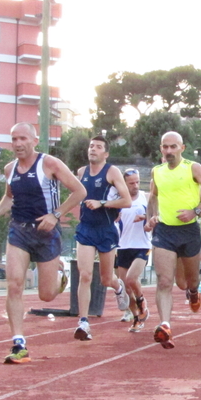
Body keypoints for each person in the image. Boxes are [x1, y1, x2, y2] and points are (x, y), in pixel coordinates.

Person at [0, 122, 86, 364]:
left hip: (46, 233)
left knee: (47, 296)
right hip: (18, 230)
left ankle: (60, 276)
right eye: (14, 139)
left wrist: (56, 215)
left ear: (34, 141)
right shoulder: (10, 169)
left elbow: (79, 191)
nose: (18, 144)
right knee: (15, 285)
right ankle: (19, 343)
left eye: (22, 139)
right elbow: (9, 197)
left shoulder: (49, 163)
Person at [145, 131, 201, 349]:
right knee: (165, 281)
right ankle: (165, 325)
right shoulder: (156, 171)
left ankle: (194, 292)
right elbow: (153, 197)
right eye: (165, 147)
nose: (169, 151)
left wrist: (194, 211)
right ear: (161, 149)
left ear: (182, 148)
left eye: (173, 147)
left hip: (189, 231)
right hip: (164, 233)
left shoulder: (192, 168)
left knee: (189, 282)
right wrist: (151, 217)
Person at [72, 135, 132, 341]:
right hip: (86, 229)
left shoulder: (112, 172)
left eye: (98, 147)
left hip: (106, 229)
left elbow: (126, 201)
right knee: (85, 275)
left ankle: (118, 286)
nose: (93, 149)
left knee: (106, 279)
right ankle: (83, 322)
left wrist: (102, 203)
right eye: (91, 146)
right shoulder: (81, 172)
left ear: (105, 153)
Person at [115, 167, 152, 333]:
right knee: (125, 287)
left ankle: (142, 300)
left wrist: (147, 218)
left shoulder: (146, 198)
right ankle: (136, 317)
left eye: (137, 182)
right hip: (122, 247)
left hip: (142, 246)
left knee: (131, 278)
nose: (135, 185)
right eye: (131, 183)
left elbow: (159, 214)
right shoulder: (118, 200)